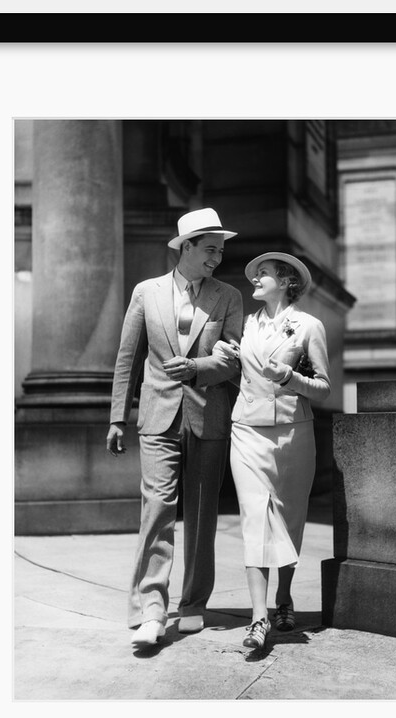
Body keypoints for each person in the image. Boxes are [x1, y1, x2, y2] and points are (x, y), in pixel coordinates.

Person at [106, 208, 244, 649]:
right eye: (209, 250)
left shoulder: (229, 296)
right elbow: (127, 357)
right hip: (156, 415)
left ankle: (194, 603)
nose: (217, 258)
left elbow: (233, 358)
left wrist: (198, 367)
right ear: (185, 247)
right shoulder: (145, 292)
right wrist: (116, 417)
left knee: (203, 514)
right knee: (158, 508)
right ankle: (151, 609)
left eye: (221, 251)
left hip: (209, 414)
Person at [214, 252, 331, 650]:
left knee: (288, 518)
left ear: (285, 281)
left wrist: (291, 376)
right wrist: (225, 359)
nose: (255, 278)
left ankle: (284, 598)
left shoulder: (309, 326)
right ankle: (258, 618)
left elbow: (324, 387)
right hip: (246, 431)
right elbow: (242, 377)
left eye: (263, 273)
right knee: (254, 519)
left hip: (292, 435)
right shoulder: (245, 325)